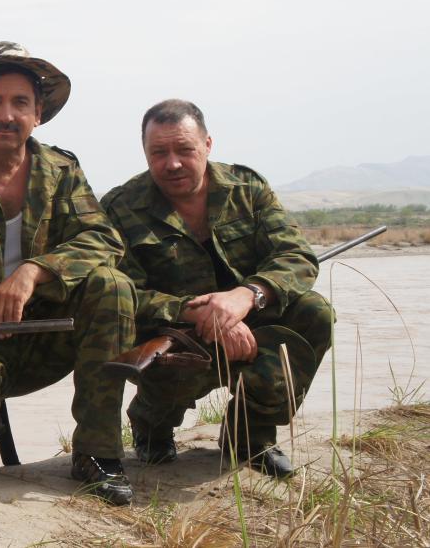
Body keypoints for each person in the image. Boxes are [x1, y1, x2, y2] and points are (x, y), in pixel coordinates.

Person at [0, 42, 138, 506]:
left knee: (112, 286)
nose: (7, 115)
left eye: (20, 102)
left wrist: (36, 271)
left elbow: (103, 239)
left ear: (38, 113)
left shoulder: (61, 171)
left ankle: (97, 453)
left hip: (44, 335)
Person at [99, 99, 334, 478]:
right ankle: (151, 424)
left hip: (251, 318)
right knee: (170, 367)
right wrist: (199, 313)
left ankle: (251, 434)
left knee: (315, 312)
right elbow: (120, 293)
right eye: (159, 153)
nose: (173, 163)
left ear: (207, 145)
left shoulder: (248, 188)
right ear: (144, 152)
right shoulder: (119, 207)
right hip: (175, 332)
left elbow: (297, 257)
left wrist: (247, 296)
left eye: (184, 149)